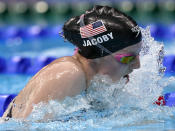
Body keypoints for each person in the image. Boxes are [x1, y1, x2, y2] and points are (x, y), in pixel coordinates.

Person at [2, 5, 142, 119]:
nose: (138, 65)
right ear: (98, 56)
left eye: (138, 55)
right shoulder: (68, 74)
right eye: (127, 58)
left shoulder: (95, 84)